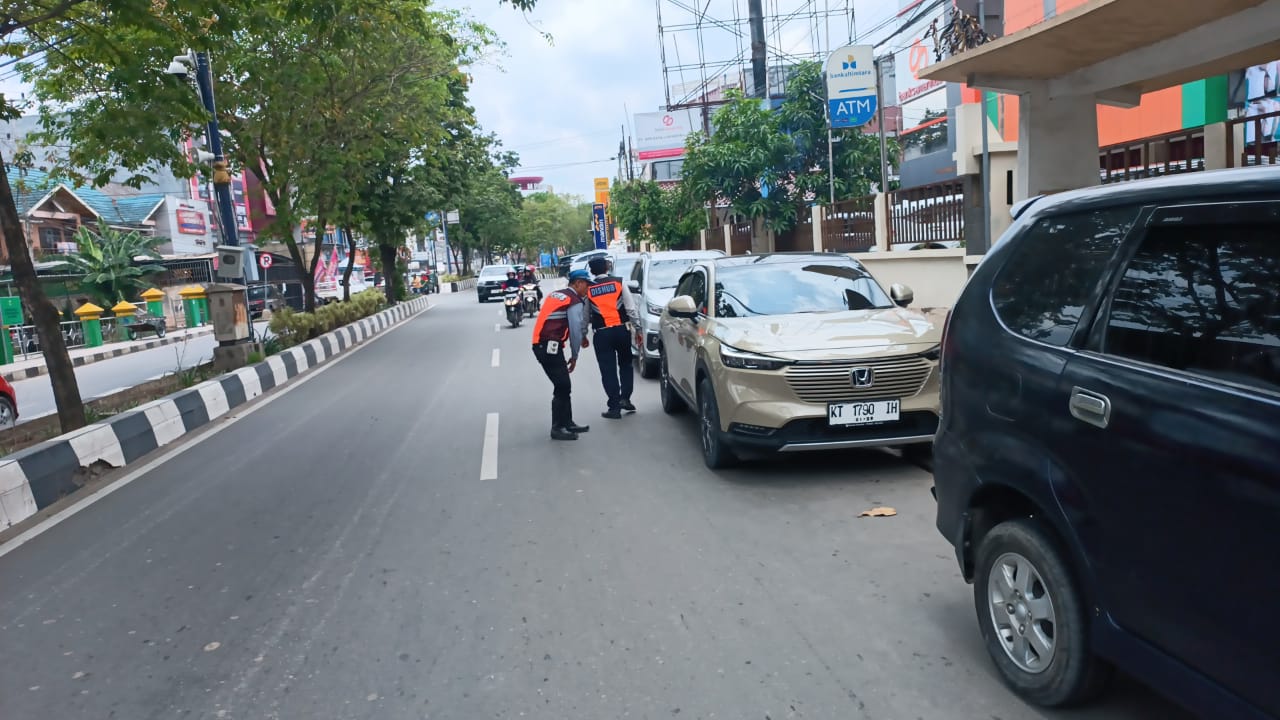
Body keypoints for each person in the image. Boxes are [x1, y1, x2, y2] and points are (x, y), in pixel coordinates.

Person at [531, 269, 593, 440]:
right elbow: (575, 329)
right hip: (547, 346)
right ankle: (557, 427)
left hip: (542, 343)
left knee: (564, 385)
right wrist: (575, 355)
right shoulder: (574, 301)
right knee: (562, 385)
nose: (588, 289)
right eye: (587, 285)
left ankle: (568, 422)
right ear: (578, 283)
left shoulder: (557, 294)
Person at [585, 256, 641, 419]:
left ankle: (614, 407)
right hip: (621, 330)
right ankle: (626, 398)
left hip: (602, 334)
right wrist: (638, 330)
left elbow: (585, 315)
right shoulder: (618, 282)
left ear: (593, 271)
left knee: (607, 370)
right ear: (606, 268)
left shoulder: (589, 288)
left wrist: (582, 335)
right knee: (626, 365)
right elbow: (630, 309)